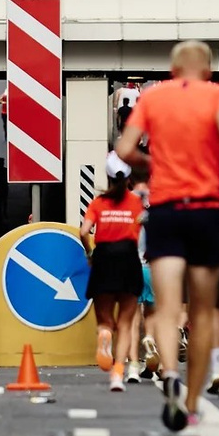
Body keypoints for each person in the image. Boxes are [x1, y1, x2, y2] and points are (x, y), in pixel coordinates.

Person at [112, 38, 219, 434]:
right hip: (205, 209)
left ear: (172, 71)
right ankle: (189, 402)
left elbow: (123, 149)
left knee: (167, 308)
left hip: (166, 211)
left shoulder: (154, 98)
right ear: (206, 71)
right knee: (202, 311)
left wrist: (153, 164)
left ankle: (169, 372)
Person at [83, 158, 146, 393]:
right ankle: (119, 373)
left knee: (105, 319)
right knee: (127, 323)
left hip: (104, 259)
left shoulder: (98, 202)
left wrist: (90, 252)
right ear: (129, 177)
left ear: (108, 177)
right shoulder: (136, 203)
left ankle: (105, 334)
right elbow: (142, 229)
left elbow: (83, 231)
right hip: (128, 258)